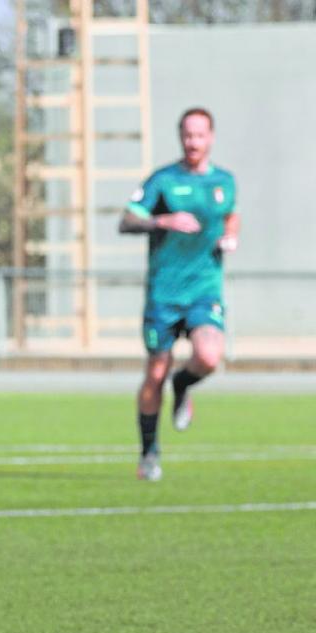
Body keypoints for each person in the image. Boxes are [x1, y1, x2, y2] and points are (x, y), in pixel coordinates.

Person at [119, 107, 239, 481]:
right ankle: (149, 452)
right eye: (187, 135)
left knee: (208, 356)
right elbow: (126, 219)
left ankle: (183, 384)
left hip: (204, 288)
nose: (193, 142)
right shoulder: (163, 181)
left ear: (211, 137)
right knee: (155, 370)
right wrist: (163, 220)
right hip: (164, 294)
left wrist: (230, 236)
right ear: (180, 136)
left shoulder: (224, 181)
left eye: (200, 135)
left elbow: (231, 214)